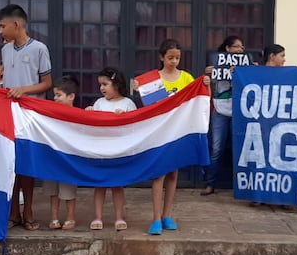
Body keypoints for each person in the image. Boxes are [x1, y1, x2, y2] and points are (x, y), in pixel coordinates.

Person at [0, 4, 53, 231]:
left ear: (16, 25)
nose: (0, 31)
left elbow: (47, 83)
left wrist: (24, 90)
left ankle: (28, 211)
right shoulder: (5, 50)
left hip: (30, 112)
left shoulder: (39, 49)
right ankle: (13, 212)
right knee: (11, 162)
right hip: (9, 112)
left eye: (2, 26)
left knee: (27, 163)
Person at [133, 39, 195, 235]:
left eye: (177, 57)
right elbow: (147, 106)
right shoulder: (152, 79)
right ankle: (156, 218)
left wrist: (207, 85)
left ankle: (167, 215)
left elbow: (198, 100)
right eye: (170, 58)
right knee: (159, 174)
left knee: (173, 174)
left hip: (177, 132)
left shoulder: (186, 78)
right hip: (158, 132)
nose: (174, 61)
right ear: (161, 57)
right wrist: (138, 89)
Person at [86, 67, 136, 231]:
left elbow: (136, 127)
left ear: (116, 84)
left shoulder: (128, 103)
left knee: (117, 186)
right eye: (100, 85)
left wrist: (125, 117)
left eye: (105, 84)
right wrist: (89, 113)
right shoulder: (99, 103)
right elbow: (91, 125)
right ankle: (98, 217)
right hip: (101, 151)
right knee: (99, 185)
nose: (101, 88)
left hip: (119, 152)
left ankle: (119, 217)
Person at [201, 35, 247, 196]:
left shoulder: (247, 66)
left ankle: (242, 186)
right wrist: (208, 76)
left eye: (242, 48)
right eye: (237, 47)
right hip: (220, 110)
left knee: (241, 149)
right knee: (216, 148)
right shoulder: (216, 65)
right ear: (228, 49)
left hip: (240, 111)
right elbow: (208, 89)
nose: (241, 50)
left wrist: (250, 70)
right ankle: (210, 183)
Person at [46, 75, 79, 231]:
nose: (55, 98)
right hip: (52, 158)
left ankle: (70, 217)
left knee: (68, 189)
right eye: (55, 95)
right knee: (52, 190)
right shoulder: (50, 113)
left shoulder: (79, 115)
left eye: (59, 95)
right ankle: (54, 217)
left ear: (71, 96)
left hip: (68, 159)